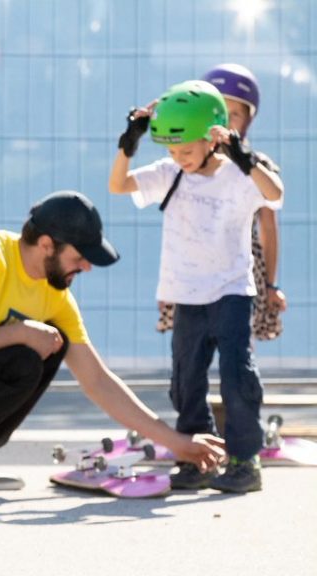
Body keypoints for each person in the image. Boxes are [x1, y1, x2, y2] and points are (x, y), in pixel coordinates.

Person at [0, 190, 225, 495]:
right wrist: (19, 331)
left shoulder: (53, 294)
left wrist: (175, 442)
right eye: (79, 257)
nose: (87, 268)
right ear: (47, 245)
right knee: (23, 352)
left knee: (49, 345)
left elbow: (96, 379)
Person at [110, 80, 284, 493]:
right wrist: (129, 142)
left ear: (210, 139)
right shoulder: (170, 173)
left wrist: (243, 157)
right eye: (172, 151)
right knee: (185, 381)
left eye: (186, 150)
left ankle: (244, 461)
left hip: (231, 292)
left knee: (237, 375)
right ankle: (197, 457)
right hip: (185, 293)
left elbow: (274, 196)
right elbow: (119, 185)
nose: (179, 158)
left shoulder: (240, 177)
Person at [154, 65, 286, 341]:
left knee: (237, 346)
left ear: (249, 120)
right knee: (190, 349)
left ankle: (238, 383)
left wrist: (271, 284)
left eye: (234, 114)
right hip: (193, 271)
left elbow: (269, 230)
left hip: (239, 266)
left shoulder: (256, 166)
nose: (224, 120)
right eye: (218, 111)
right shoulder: (186, 161)